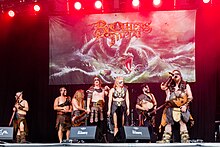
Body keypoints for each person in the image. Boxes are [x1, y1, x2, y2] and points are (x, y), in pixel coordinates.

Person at [159, 70, 193, 143]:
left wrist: (185, 106)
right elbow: (167, 98)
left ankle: (185, 140)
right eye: (173, 74)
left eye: (177, 74)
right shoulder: (170, 87)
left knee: (182, 122)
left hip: (181, 107)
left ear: (180, 76)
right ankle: (166, 139)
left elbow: (190, 97)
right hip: (171, 107)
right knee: (168, 122)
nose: (175, 75)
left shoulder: (185, 85)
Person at [107, 76, 130, 141]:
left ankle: (122, 138)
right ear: (117, 82)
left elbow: (127, 99)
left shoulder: (125, 90)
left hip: (122, 106)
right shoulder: (112, 90)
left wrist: (128, 108)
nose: (122, 83)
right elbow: (110, 100)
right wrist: (109, 110)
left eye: (122, 82)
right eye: (120, 82)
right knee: (115, 124)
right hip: (115, 106)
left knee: (122, 124)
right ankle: (115, 139)